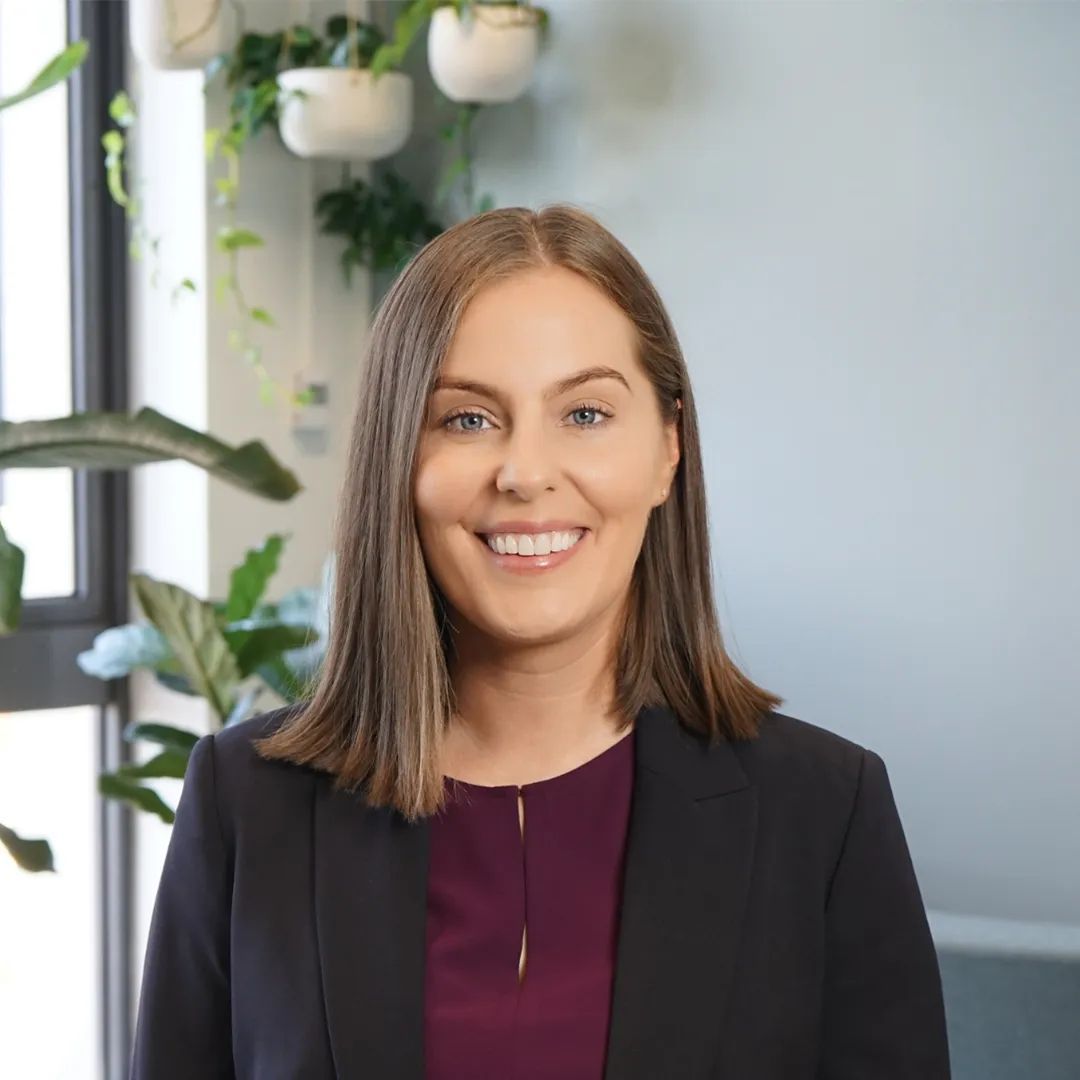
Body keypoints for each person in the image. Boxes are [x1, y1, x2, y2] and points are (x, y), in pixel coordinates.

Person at [129, 204, 951, 1079]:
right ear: (395, 461)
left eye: (586, 414)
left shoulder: (825, 812)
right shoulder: (247, 804)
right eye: (467, 420)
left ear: (668, 446)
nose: (524, 473)